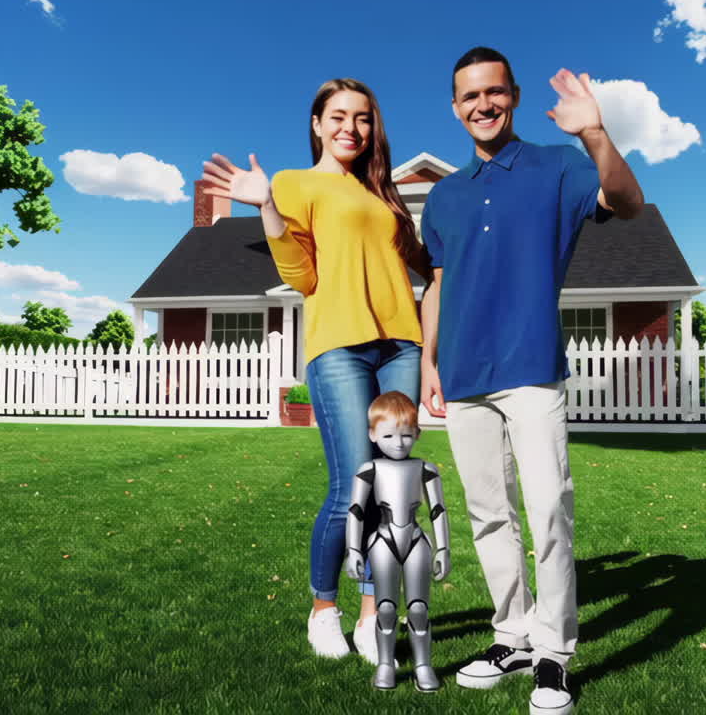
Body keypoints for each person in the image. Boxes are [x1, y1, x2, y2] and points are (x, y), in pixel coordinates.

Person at [418, 47, 645, 715]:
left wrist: (595, 133)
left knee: (548, 509)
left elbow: (628, 204)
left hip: (531, 367)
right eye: (469, 97)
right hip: (461, 374)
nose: (482, 105)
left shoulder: (559, 166)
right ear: (455, 107)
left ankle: (553, 654)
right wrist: (429, 359)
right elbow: (436, 282)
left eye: (493, 93)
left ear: (511, 96)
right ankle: (512, 636)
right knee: (489, 515)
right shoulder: (444, 195)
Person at [201, 78, 430, 665]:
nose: (351, 128)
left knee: (391, 491)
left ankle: (368, 613)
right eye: (339, 116)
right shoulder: (293, 183)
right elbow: (301, 278)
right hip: (340, 346)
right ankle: (323, 608)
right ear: (316, 122)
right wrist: (269, 207)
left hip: (401, 344)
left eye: (362, 118)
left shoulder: (384, 192)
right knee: (351, 486)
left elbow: (425, 270)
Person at [344, 391, 451, 692]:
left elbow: (438, 509)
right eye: (389, 435)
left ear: (417, 433)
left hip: (416, 539)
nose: (399, 442)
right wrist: (353, 549)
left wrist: (443, 548)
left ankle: (423, 666)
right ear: (373, 434)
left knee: (419, 608)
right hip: (383, 540)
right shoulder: (369, 470)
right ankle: (385, 664)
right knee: (386, 607)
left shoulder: (427, 469)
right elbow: (356, 510)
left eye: (406, 435)